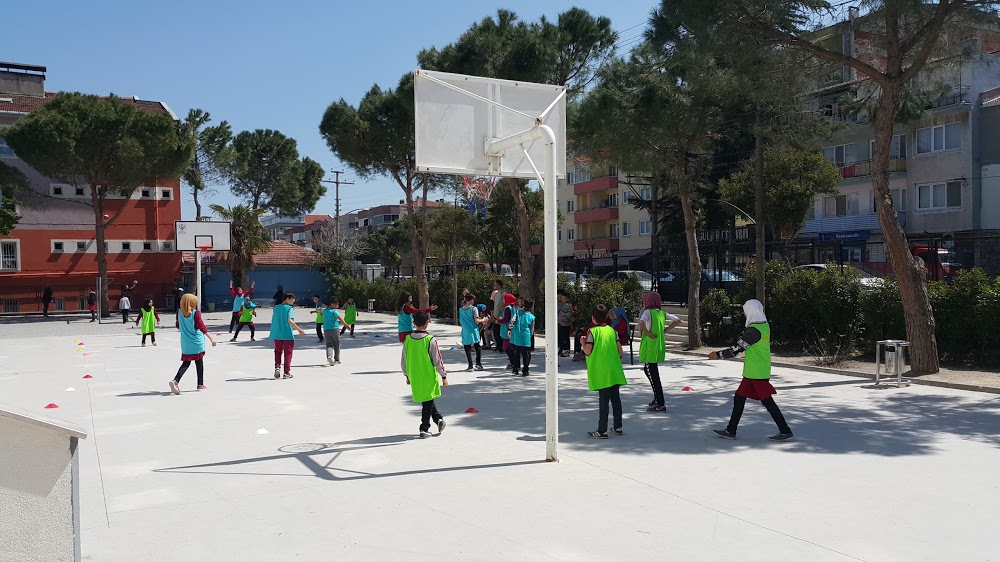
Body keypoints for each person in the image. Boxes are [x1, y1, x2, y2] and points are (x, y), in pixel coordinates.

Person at [709, 299, 793, 442]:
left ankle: (785, 430)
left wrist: (717, 355)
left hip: (756, 372)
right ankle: (731, 430)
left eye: (745, 310)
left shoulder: (753, 331)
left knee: (767, 401)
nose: (744, 313)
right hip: (755, 370)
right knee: (739, 398)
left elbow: (737, 349)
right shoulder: (764, 325)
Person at [400, 311, 448, 438]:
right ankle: (424, 428)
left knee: (427, 399)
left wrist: (407, 375)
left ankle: (438, 419)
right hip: (428, 375)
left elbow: (403, 359)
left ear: (413, 323)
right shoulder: (430, 340)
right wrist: (443, 376)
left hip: (415, 375)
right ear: (427, 323)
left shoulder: (408, 339)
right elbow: (438, 359)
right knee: (427, 400)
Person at [583, 305, 627, 439]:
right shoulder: (612, 331)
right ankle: (618, 426)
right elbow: (620, 351)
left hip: (602, 371)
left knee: (603, 401)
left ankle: (602, 430)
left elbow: (587, 351)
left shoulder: (592, 332)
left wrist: (582, 342)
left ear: (593, 318)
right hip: (614, 369)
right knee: (615, 399)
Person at [637, 292, 681, 412]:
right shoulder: (661, 313)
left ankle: (660, 402)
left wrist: (648, 332)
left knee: (653, 374)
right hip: (658, 346)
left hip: (649, 347)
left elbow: (640, 323)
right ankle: (657, 398)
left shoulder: (647, 312)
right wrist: (665, 330)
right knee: (650, 370)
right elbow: (677, 320)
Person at [169, 293, 217, 394]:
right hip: (196, 342)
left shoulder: (178, 312)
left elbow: (178, 325)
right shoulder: (196, 313)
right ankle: (200, 384)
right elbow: (201, 326)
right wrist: (211, 338)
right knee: (199, 362)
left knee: (186, 362)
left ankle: (176, 380)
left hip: (186, 343)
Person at [271, 292, 306, 379]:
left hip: (276, 333)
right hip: (287, 334)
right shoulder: (289, 309)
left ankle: (277, 367)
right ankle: (286, 372)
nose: (294, 301)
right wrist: (299, 329)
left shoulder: (276, 307)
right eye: (292, 299)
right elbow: (290, 321)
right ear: (287, 299)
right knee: (288, 353)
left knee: (278, 352)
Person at [459, 293, 485, 372]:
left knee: (467, 348)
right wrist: (484, 320)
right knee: (477, 347)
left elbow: (460, 320)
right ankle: (478, 363)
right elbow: (477, 320)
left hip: (465, 330)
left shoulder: (461, 309)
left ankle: (470, 366)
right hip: (473, 330)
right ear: (470, 300)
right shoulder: (474, 309)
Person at [510, 299, 535, 377]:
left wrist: (509, 329)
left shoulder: (517, 313)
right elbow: (532, 329)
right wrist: (530, 336)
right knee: (526, 355)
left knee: (517, 353)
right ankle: (525, 370)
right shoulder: (532, 317)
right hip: (526, 337)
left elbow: (512, 322)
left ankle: (515, 369)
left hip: (517, 336)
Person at [499, 293, 518, 369]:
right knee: (511, 347)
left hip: (507, 329)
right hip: (512, 329)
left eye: (504, 299)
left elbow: (506, 319)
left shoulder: (507, 308)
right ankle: (513, 362)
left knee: (507, 348)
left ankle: (512, 362)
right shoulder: (513, 307)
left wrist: (499, 320)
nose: (503, 300)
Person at [323, 296, 342, 366]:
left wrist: (315, 310)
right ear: (331, 304)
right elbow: (341, 319)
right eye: (336, 304)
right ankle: (336, 359)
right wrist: (346, 326)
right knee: (337, 344)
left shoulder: (324, 310)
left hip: (326, 330)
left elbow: (319, 310)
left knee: (329, 344)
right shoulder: (334, 312)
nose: (338, 305)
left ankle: (329, 356)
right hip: (334, 329)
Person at [491, 280, 507, 354]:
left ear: (499, 285)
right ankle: (498, 346)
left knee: (501, 333)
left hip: (501, 315)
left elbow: (504, 305)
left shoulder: (504, 294)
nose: (494, 286)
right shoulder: (496, 294)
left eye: (495, 285)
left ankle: (503, 347)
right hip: (496, 315)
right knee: (495, 332)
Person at [557, 290, 574, 357]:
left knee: (565, 337)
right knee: (561, 337)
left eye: (564, 298)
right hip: (561, 322)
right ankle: (562, 349)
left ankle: (566, 350)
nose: (562, 300)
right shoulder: (562, 304)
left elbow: (569, 315)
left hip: (566, 323)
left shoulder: (567, 306)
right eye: (562, 298)